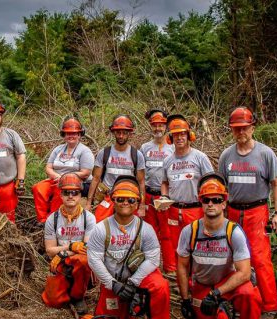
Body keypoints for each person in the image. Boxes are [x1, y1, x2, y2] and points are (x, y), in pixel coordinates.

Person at [175, 173, 266, 319]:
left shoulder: (233, 232)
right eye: (206, 200)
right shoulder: (189, 231)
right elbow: (182, 267)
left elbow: (243, 272)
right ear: (201, 202)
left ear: (224, 203)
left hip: (228, 284)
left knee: (249, 294)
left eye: (216, 200)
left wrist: (217, 294)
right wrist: (185, 300)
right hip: (203, 284)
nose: (211, 204)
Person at [86, 176, 173, 319]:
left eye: (130, 200)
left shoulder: (145, 229)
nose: (125, 203)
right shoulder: (101, 228)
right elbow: (94, 259)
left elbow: (153, 259)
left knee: (160, 285)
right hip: (113, 279)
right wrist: (113, 284)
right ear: (113, 200)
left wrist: (133, 283)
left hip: (138, 276)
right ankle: (126, 312)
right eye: (120, 199)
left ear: (137, 203)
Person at [218, 106, 277, 319]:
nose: (240, 133)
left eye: (244, 128)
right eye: (236, 129)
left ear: (252, 128)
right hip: (234, 212)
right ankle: (236, 300)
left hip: (258, 211)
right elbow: (220, 187)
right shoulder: (227, 155)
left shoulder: (265, 154)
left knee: (260, 258)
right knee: (231, 258)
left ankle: (269, 306)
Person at [158, 114, 213, 272]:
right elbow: (164, 183)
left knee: (197, 246)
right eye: (176, 135)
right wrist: (164, 197)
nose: (179, 138)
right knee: (177, 247)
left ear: (189, 136)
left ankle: (197, 281)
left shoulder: (200, 157)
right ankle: (181, 281)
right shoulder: (168, 161)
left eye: (182, 134)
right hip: (174, 210)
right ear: (170, 138)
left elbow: (210, 183)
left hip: (195, 209)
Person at [41, 173, 96, 315]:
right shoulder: (52, 219)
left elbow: (87, 248)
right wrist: (69, 247)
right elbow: (49, 250)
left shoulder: (88, 218)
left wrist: (64, 252)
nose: (70, 196)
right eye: (66, 192)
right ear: (61, 195)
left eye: (74, 192)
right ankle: (65, 286)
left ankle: (78, 296)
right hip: (60, 261)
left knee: (83, 259)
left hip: (75, 259)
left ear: (80, 195)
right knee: (53, 302)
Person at [32, 116, 94, 223]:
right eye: (68, 133)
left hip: (76, 182)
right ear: (64, 135)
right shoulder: (58, 149)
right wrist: (57, 176)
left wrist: (65, 178)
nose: (71, 136)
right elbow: (48, 167)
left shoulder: (85, 151)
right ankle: (42, 220)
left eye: (74, 133)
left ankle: (53, 219)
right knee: (38, 188)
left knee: (59, 190)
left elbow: (85, 173)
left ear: (79, 134)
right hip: (56, 178)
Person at [86, 115, 146, 222]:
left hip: (129, 198)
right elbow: (95, 179)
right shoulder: (104, 153)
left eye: (124, 133)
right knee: (100, 223)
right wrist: (89, 202)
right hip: (108, 197)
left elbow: (141, 182)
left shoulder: (137, 155)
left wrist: (141, 205)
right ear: (114, 132)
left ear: (129, 134)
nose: (121, 136)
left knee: (129, 228)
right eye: (118, 132)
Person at [139, 109, 175, 262]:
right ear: (150, 126)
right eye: (155, 125)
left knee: (167, 233)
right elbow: (140, 175)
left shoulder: (173, 147)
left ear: (166, 126)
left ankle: (170, 267)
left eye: (161, 125)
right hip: (148, 194)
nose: (158, 128)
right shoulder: (145, 147)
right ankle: (151, 264)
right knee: (149, 231)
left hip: (166, 196)